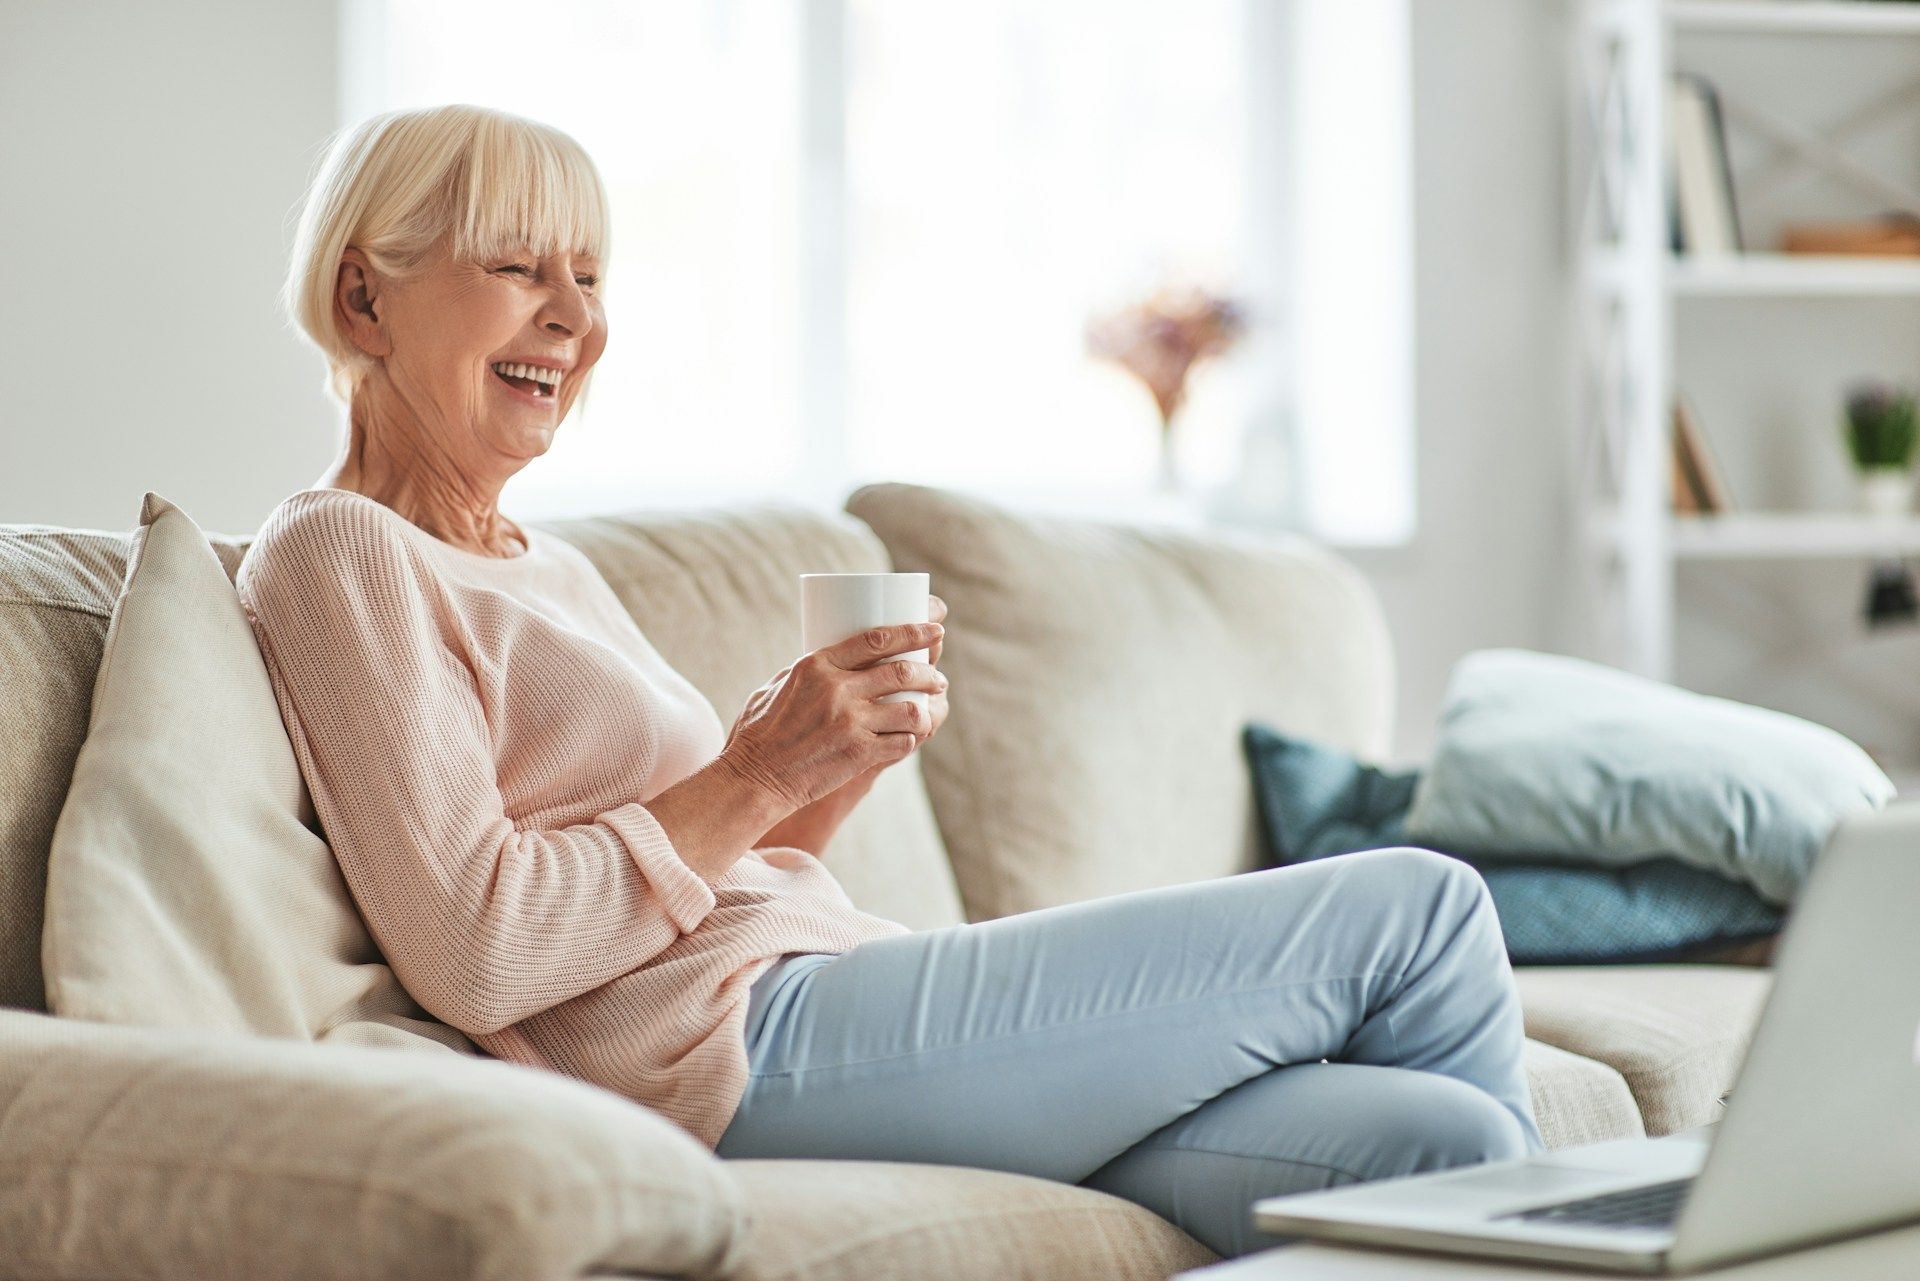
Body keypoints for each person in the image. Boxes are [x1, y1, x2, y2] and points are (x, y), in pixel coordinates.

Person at [239, 103, 1541, 1260]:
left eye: (588, 274)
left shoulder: (546, 562)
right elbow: (478, 948)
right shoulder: (340, 547)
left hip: (810, 994)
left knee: (1437, 1137)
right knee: (1421, 910)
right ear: (365, 299)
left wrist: (819, 772)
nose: (576, 319)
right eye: (519, 268)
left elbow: (710, 885)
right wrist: (748, 771)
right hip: (732, 1052)